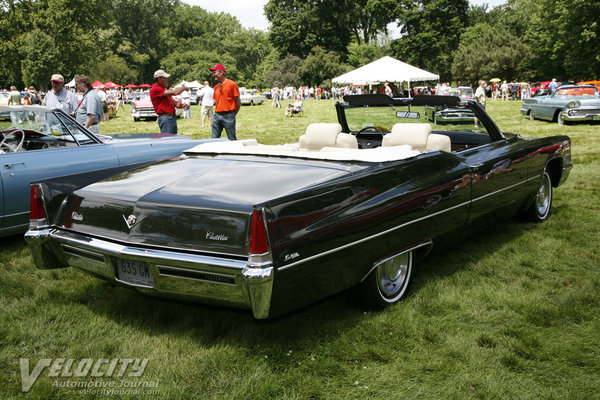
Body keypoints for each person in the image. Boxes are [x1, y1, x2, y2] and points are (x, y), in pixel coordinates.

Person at [149, 69, 189, 134]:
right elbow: (175, 92)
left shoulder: (163, 90)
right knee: (168, 141)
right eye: (165, 78)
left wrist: (183, 105)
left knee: (171, 141)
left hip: (170, 118)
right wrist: (184, 88)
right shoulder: (155, 89)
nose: (167, 80)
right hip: (166, 118)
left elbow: (176, 104)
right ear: (159, 79)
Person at [210, 63, 240, 140]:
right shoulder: (216, 87)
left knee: (231, 139)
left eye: (215, 72)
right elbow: (217, 102)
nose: (213, 75)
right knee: (214, 139)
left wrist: (232, 114)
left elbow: (238, 101)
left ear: (221, 72)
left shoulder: (232, 84)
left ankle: (235, 152)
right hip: (217, 115)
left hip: (228, 115)